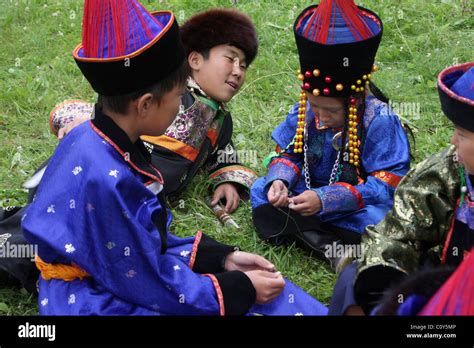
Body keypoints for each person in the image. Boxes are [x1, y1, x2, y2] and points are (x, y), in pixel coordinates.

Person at [22, 0, 327, 316]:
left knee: (275, 296)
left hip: (123, 273)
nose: (180, 105)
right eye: (176, 96)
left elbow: (146, 240)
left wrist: (222, 259)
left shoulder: (106, 140)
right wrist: (236, 289)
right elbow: (145, 280)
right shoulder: (106, 177)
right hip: (95, 298)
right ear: (145, 104)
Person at [49, 8, 260, 213]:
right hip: (116, 195)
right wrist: (87, 124)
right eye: (230, 58)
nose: (238, 71)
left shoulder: (220, 119)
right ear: (195, 60)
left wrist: (227, 181)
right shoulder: (165, 97)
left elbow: (223, 153)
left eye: (243, 66)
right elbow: (118, 115)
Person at [250, 0, 411, 267]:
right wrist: (281, 181)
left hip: (354, 205)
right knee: (260, 189)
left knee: (382, 219)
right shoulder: (306, 109)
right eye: (315, 107)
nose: (321, 118)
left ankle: (305, 233)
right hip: (305, 193)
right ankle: (328, 246)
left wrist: (327, 200)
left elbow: (386, 183)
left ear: (355, 100)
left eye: (331, 112)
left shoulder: (378, 120)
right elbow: (289, 153)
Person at [329, 61, 474, 315]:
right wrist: (383, 290)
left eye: (461, 134)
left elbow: (385, 178)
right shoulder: (451, 168)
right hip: (447, 284)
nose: (452, 141)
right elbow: (400, 229)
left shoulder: (380, 121)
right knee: (360, 273)